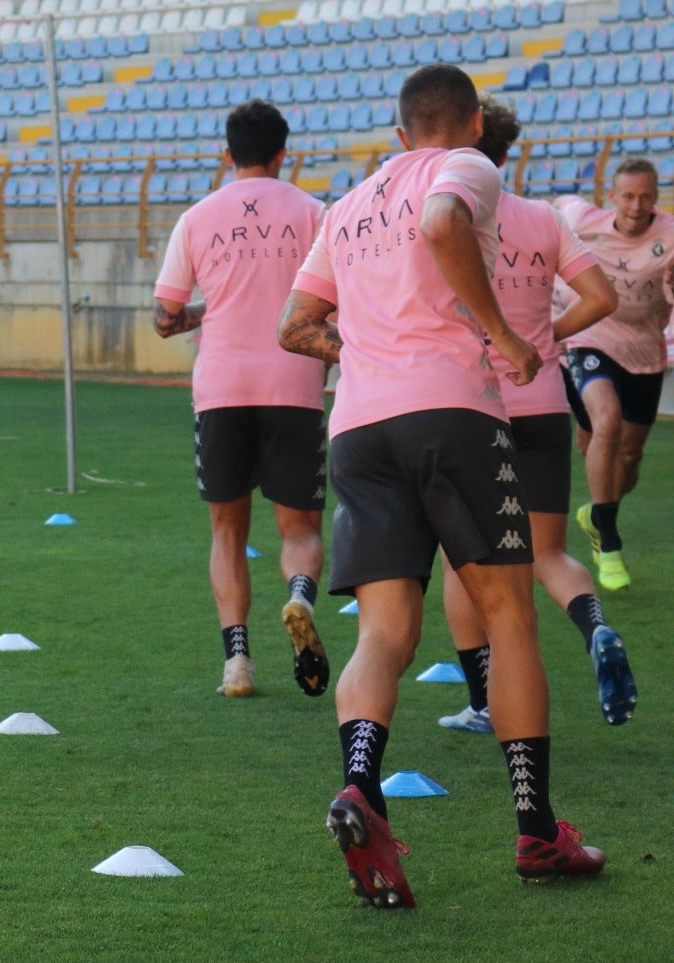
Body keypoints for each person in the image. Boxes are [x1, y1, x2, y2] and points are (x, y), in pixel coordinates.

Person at [278, 63, 605, 909]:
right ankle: (537, 831)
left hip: (357, 427)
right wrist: (498, 331)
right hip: (454, 414)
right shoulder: (469, 167)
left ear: (397, 133)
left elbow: (295, 325)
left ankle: (360, 785)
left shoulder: (344, 205)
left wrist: (360, 355)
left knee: (384, 629)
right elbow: (440, 219)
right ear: (467, 125)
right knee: (508, 611)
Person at [437, 97, 635, 734]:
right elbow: (601, 296)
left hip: (473, 405)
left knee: (461, 561)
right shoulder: (541, 218)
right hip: (544, 401)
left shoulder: (444, 215)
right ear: (506, 153)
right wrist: (547, 334)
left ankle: (482, 702)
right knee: (548, 553)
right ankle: (596, 628)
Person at [151, 99, 329, 701]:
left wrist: (211, 308)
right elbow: (334, 305)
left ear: (226, 154)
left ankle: (237, 663)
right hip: (295, 385)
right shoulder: (313, 213)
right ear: (284, 153)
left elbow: (165, 318)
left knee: (227, 531)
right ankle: (300, 595)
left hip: (222, 388)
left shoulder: (197, 217)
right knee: (298, 526)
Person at [552, 157, 674, 591]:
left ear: (657, 196)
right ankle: (611, 543)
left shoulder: (670, 235)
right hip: (591, 337)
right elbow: (556, 210)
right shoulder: (583, 218)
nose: (636, 205)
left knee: (631, 460)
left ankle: (598, 514)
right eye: (627, 196)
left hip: (644, 350)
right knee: (606, 421)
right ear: (611, 197)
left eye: (645, 196)